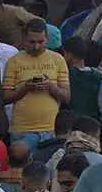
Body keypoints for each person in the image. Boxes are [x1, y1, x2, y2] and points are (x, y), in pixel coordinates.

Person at [4, 19, 72, 150]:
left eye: (40, 42)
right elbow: (6, 97)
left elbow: (66, 97)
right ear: (24, 39)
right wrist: (25, 88)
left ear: (47, 38)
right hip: (22, 130)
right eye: (32, 42)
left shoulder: (58, 60)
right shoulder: (13, 61)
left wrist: (50, 87)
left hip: (51, 129)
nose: (36, 46)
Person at [62, 37, 102, 132]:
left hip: (69, 127)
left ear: (69, 54)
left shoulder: (65, 75)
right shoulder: (99, 76)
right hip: (92, 127)